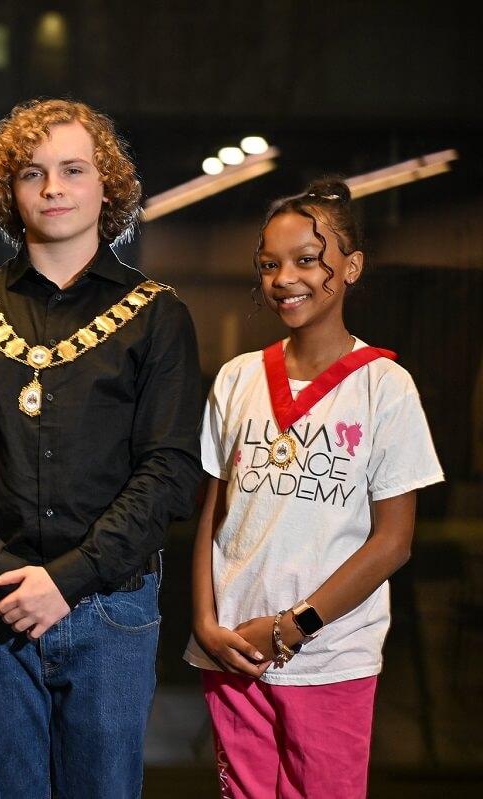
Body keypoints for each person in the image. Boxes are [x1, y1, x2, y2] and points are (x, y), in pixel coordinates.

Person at [0, 98, 204, 798]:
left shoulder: (158, 314)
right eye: (32, 173)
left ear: (109, 186)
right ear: (8, 193)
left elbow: (168, 470)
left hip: (112, 606)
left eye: (73, 170)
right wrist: (8, 578)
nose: (53, 188)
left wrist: (65, 579)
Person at [184, 179, 443, 798]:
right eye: (269, 264)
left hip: (328, 656)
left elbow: (393, 543)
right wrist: (203, 620)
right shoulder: (238, 377)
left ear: (351, 268)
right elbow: (212, 515)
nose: (284, 278)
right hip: (232, 650)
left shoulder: (385, 386)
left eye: (307, 260)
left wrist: (292, 627)